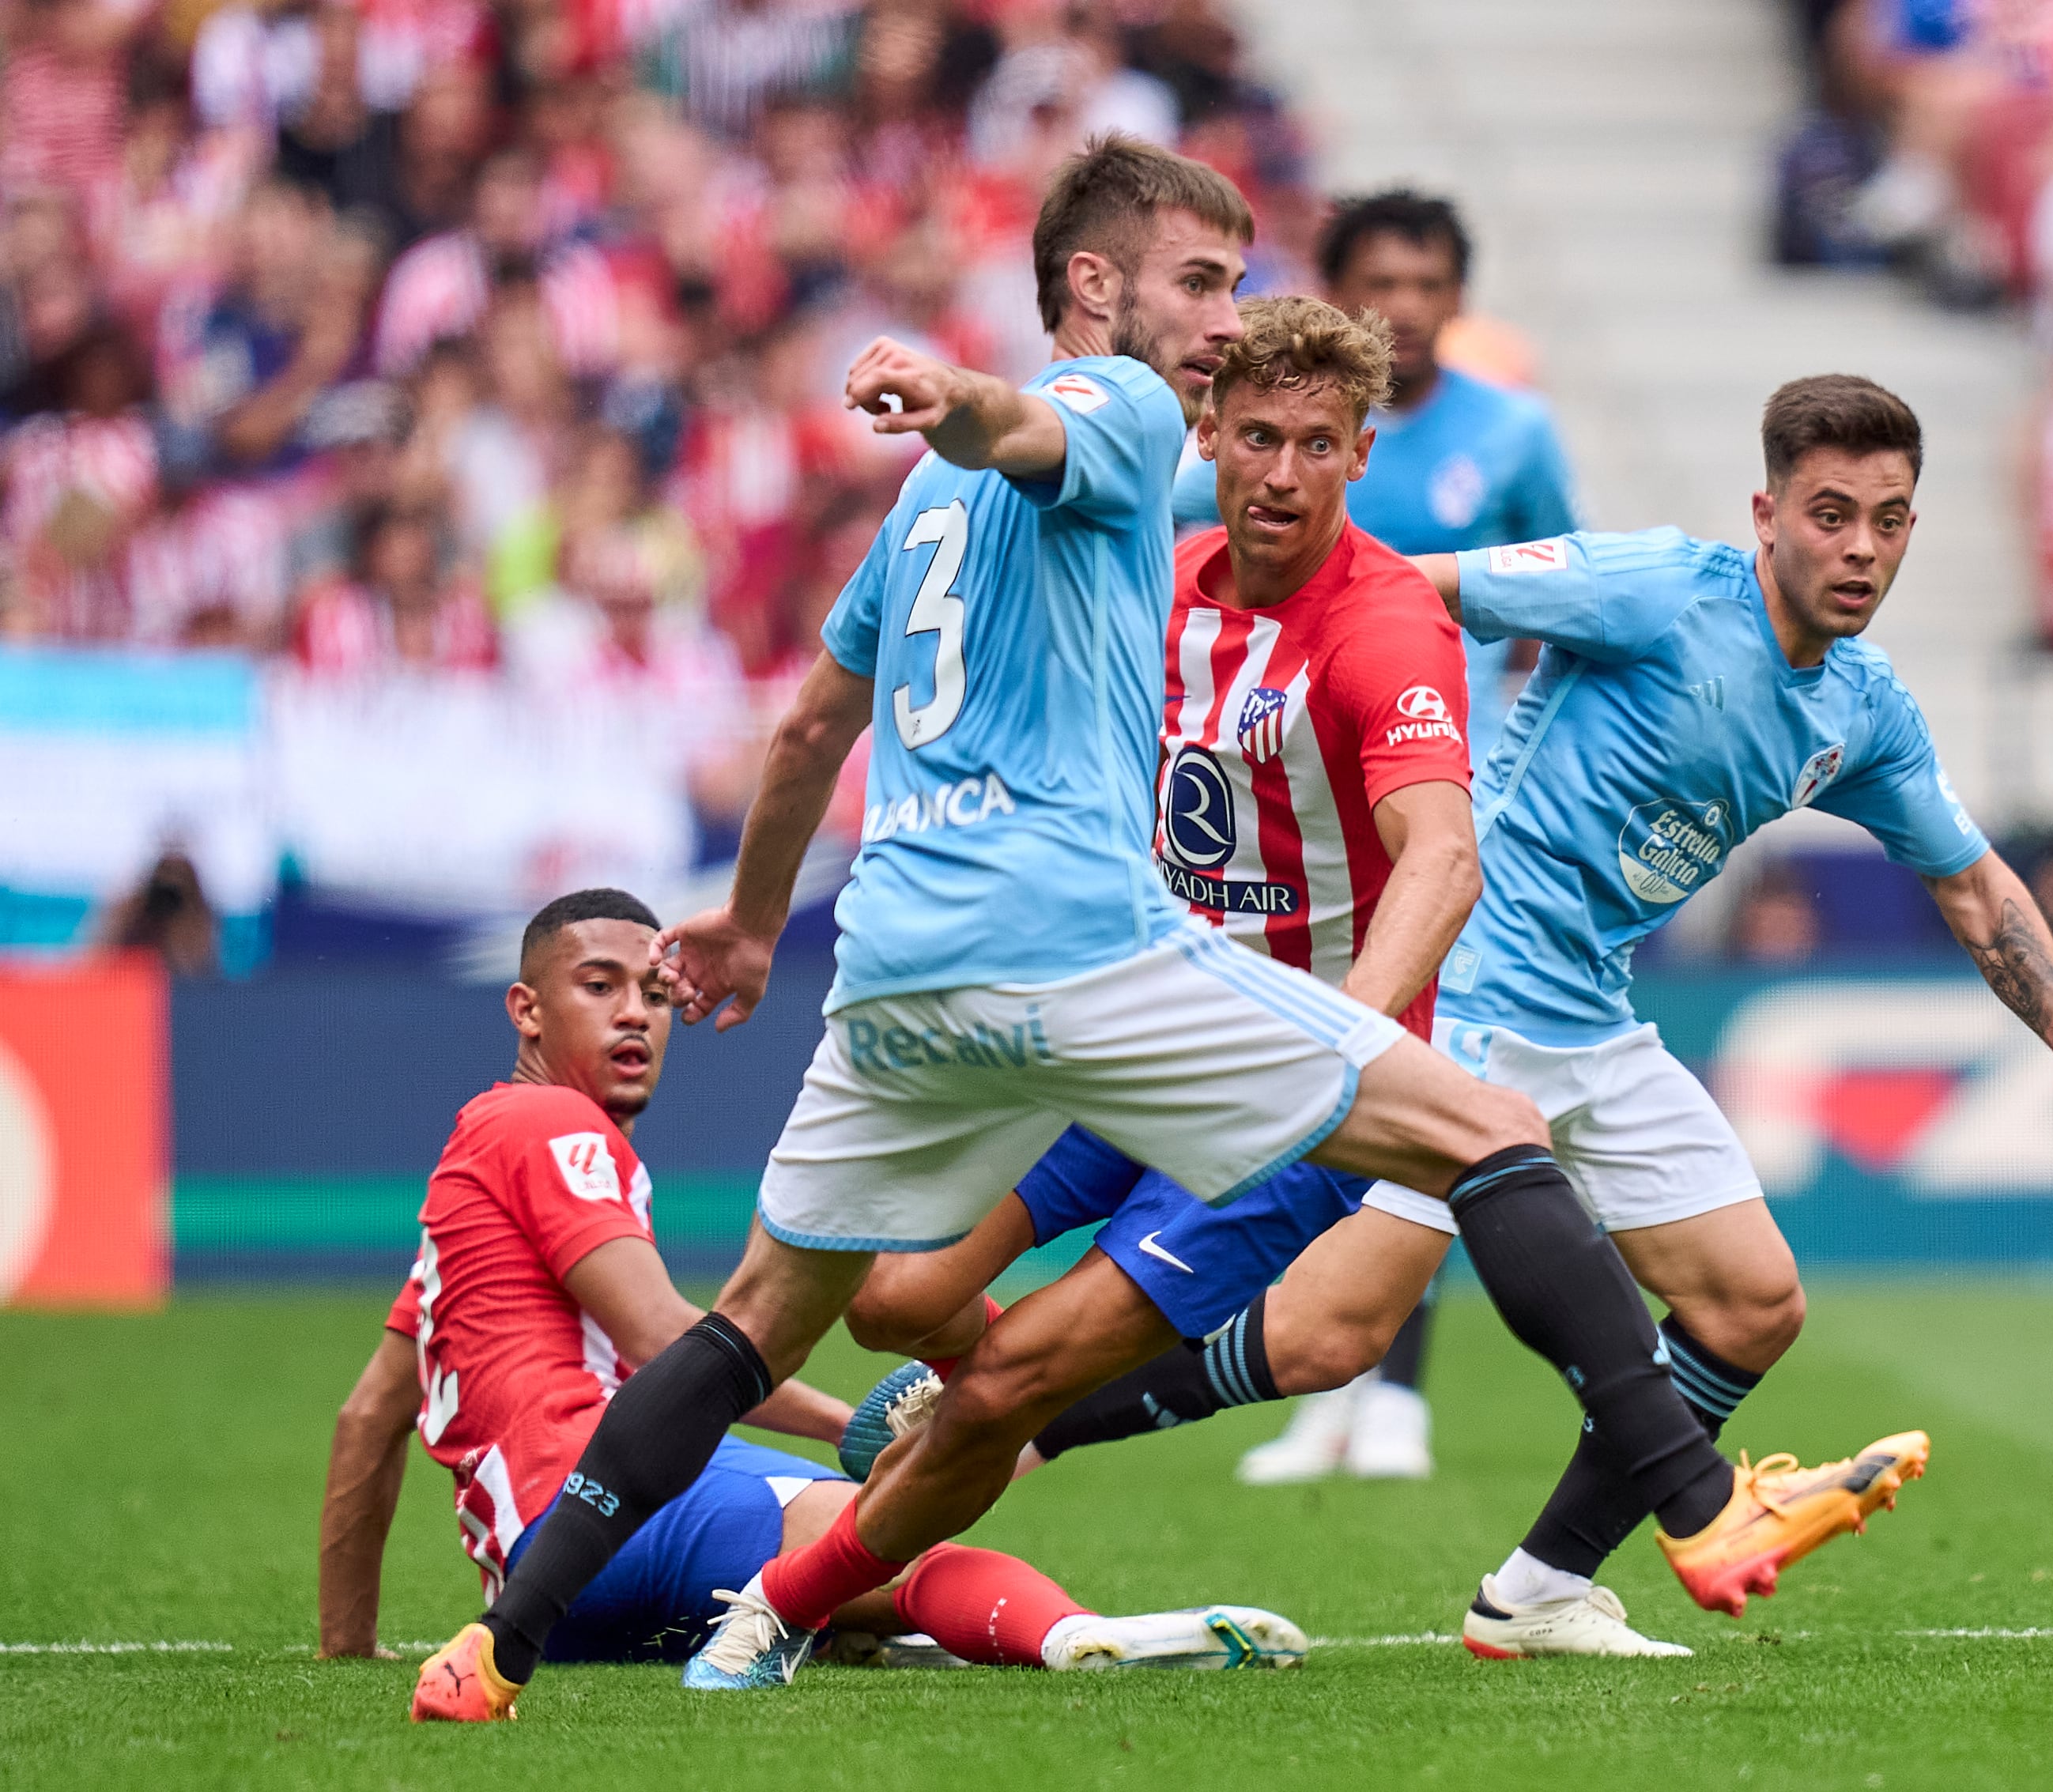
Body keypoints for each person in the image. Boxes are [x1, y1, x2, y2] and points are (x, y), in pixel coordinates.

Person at [414, 136, 1828, 1720]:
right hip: (1079, 946)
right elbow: (1032, 418)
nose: (1225, 319)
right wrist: (954, 384)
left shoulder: (923, 507)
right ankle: (1698, 1504)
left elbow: (816, 722)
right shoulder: (1128, 407)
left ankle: (496, 1645)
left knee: (761, 1321)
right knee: (1489, 1131)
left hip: (890, 966)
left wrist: (748, 930)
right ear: (1092, 287)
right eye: (1203, 283)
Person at [1028, 375, 2053, 1658]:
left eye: (1887, 521)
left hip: (1588, 1012)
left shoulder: (1861, 706)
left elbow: (1972, 879)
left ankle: (1539, 1587)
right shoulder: (1655, 584)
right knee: (1333, 1334)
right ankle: (1016, 1415)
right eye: (1831, 514)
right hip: (1470, 978)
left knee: (1751, 1301)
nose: (1859, 548)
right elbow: (1408, 589)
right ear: (1767, 513)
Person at [327, 888, 1306, 1677]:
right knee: (894, 1538)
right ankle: (1074, 1637)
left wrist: (346, 1644)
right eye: (599, 985)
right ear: (526, 1007)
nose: (636, 1012)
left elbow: (369, 1418)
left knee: (843, 1602)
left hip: (546, 1587)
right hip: (604, 1505)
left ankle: (888, 1630)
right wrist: (854, 1428)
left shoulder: (463, 1182)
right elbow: (670, 1335)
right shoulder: (550, 1125)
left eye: (655, 993)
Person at [831, 292, 1474, 1426]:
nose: (1282, 474)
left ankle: (840, 1556)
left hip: (1280, 1064)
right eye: (1260, 437)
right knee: (889, 1298)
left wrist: (1343, 1046)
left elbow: (1445, 856)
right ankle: (991, 1408)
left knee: (1018, 1375)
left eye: (1318, 445)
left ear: (1360, 455)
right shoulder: (1151, 581)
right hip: (1126, 1019)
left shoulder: (1385, 621)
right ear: (1208, 433)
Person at [1176, 190, 1584, 1483]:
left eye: (1427, 282)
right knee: (1354, 1080)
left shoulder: (1510, 433)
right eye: (1381, 283)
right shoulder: (1253, 454)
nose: (1404, 305)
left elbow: (1551, 593)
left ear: (1456, 299)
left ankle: (1392, 1382)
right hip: (1293, 796)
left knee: (1418, 1069)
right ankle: (1327, 1371)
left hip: (1437, 797)